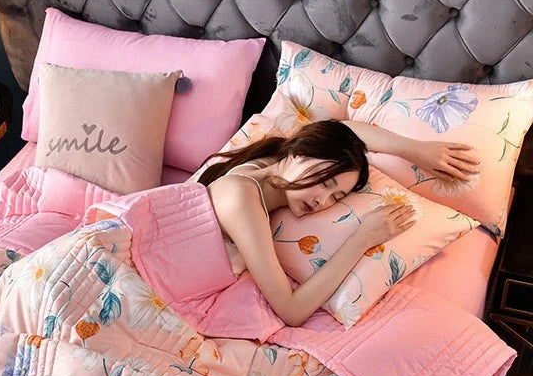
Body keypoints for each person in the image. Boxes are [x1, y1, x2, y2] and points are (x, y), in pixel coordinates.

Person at [198, 119, 480, 326]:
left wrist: (413, 150)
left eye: (337, 197)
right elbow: (291, 310)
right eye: (325, 183)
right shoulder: (241, 197)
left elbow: (344, 133)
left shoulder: (273, 162)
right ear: (297, 154)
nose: (322, 201)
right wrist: (361, 240)